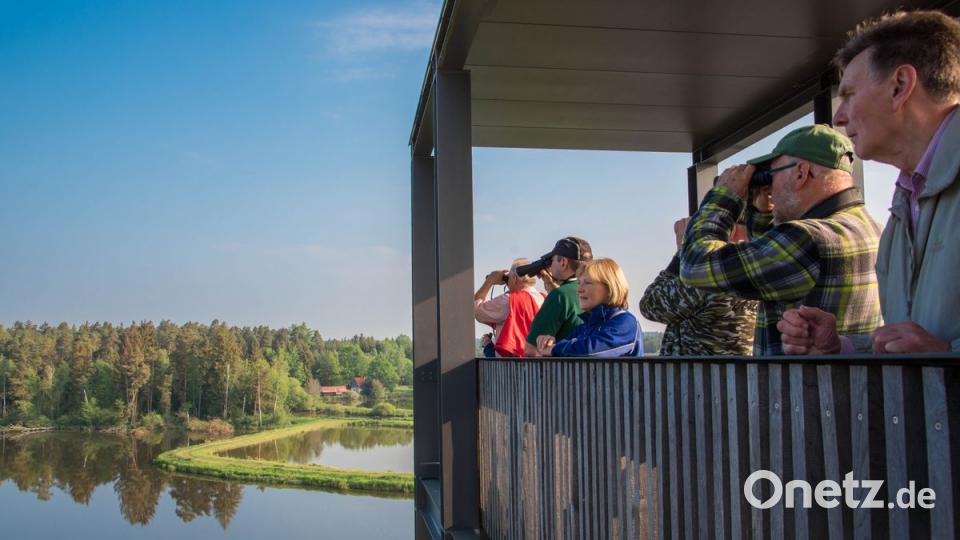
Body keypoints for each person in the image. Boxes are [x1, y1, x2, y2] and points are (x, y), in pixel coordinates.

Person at [779, 10, 960, 354]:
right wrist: (842, 347)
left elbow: (935, 348)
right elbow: (914, 341)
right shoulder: (906, 202)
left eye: (848, 94)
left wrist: (947, 358)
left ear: (900, 86)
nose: (838, 116)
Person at [679, 124, 882, 355]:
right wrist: (762, 214)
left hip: (803, 387)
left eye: (772, 176)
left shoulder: (807, 239)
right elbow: (774, 267)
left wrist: (723, 199)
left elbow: (695, 266)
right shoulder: (873, 229)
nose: (770, 188)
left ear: (800, 173)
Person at [639, 217, 757, 356]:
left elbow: (650, 304)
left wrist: (685, 250)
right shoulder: (763, 267)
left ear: (731, 230)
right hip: (740, 374)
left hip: (699, 375)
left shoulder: (709, 275)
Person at [536, 258, 643, 357]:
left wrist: (554, 349)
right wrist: (549, 343)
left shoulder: (625, 322)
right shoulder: (584, 328)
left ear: (610, 287)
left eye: (587, 283)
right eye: (579, 283)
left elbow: (592, 350)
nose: (579, 289)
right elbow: (564, 348)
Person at [523, 237, 593, 356]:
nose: (551, 265)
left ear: (563, 262)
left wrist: (557, 294)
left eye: (553, 260)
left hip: (565, 372)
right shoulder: (597, 290)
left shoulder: (559, 296)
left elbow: (531, 350)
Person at [474, 259, 546, 357]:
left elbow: (477, 310)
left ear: (515, 279)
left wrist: (490, 280)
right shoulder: (543, 298)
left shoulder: (509, 301)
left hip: (512, 364)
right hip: (536, 363)